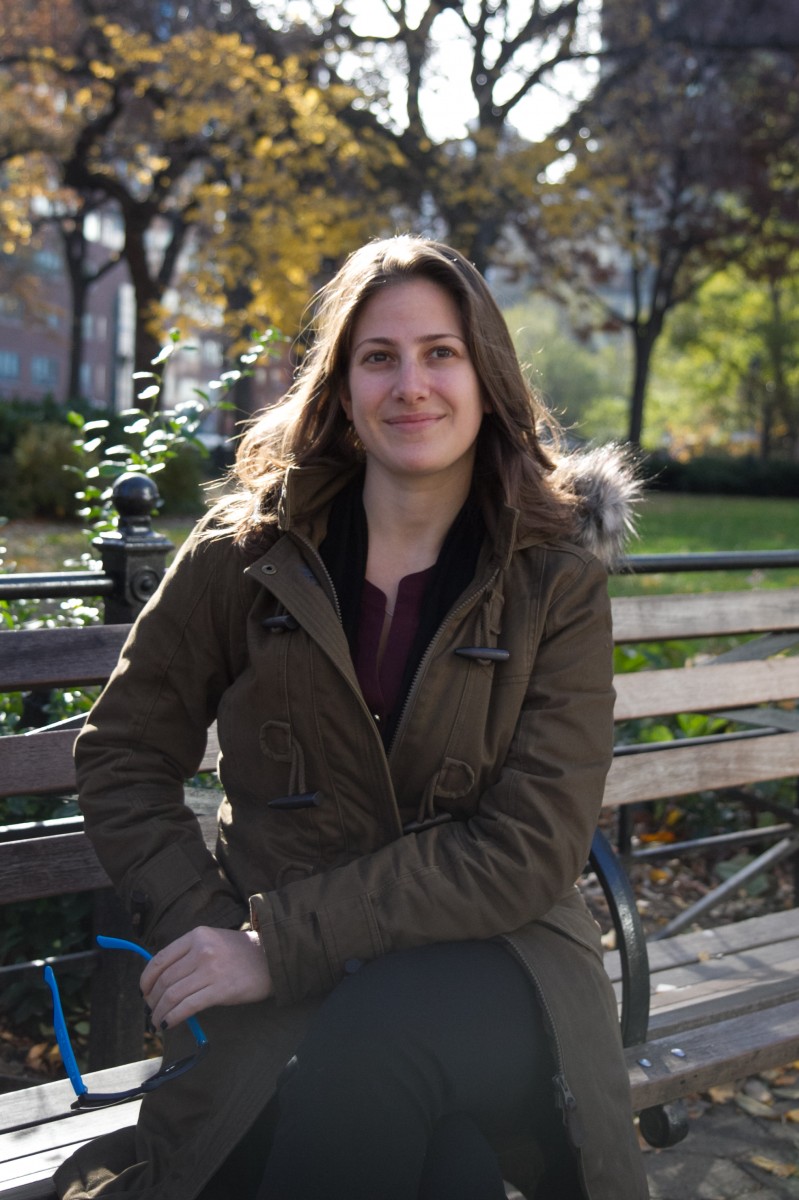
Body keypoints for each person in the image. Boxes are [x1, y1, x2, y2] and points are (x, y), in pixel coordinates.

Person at [57, 235, 649, 1200]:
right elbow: (123, 752)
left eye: (439, 353)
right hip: (279, 965)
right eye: (379, 357)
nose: (410, 384)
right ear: (338, 387)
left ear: (486, 376)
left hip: (491, 964)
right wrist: (208, 928)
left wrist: (274, 945)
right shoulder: (244, 553)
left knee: (372, 1049)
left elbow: (532, 844)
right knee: (440, 1169)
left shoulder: (555, 582)